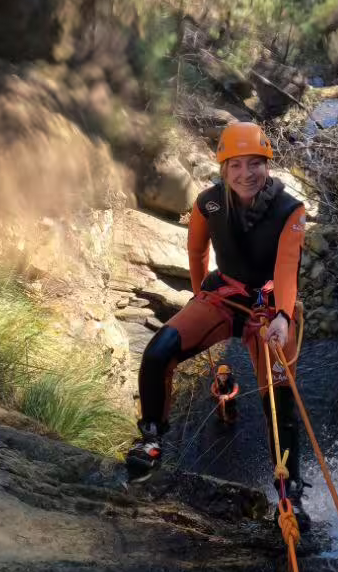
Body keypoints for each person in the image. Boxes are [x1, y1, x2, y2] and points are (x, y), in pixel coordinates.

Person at [127, 121, 307, 505]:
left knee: (279, 396)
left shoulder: (290, 211)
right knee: (158, 353)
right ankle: (152, 439)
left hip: (270, 309)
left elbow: (287, 269)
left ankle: (289, 489)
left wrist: (284, 317)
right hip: (221, 298)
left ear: (267, 165)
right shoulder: (208, 202)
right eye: (235, 165)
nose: (245, 174)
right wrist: (198, 299)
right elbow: (196, 252)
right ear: (223, 169)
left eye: (253, 163)